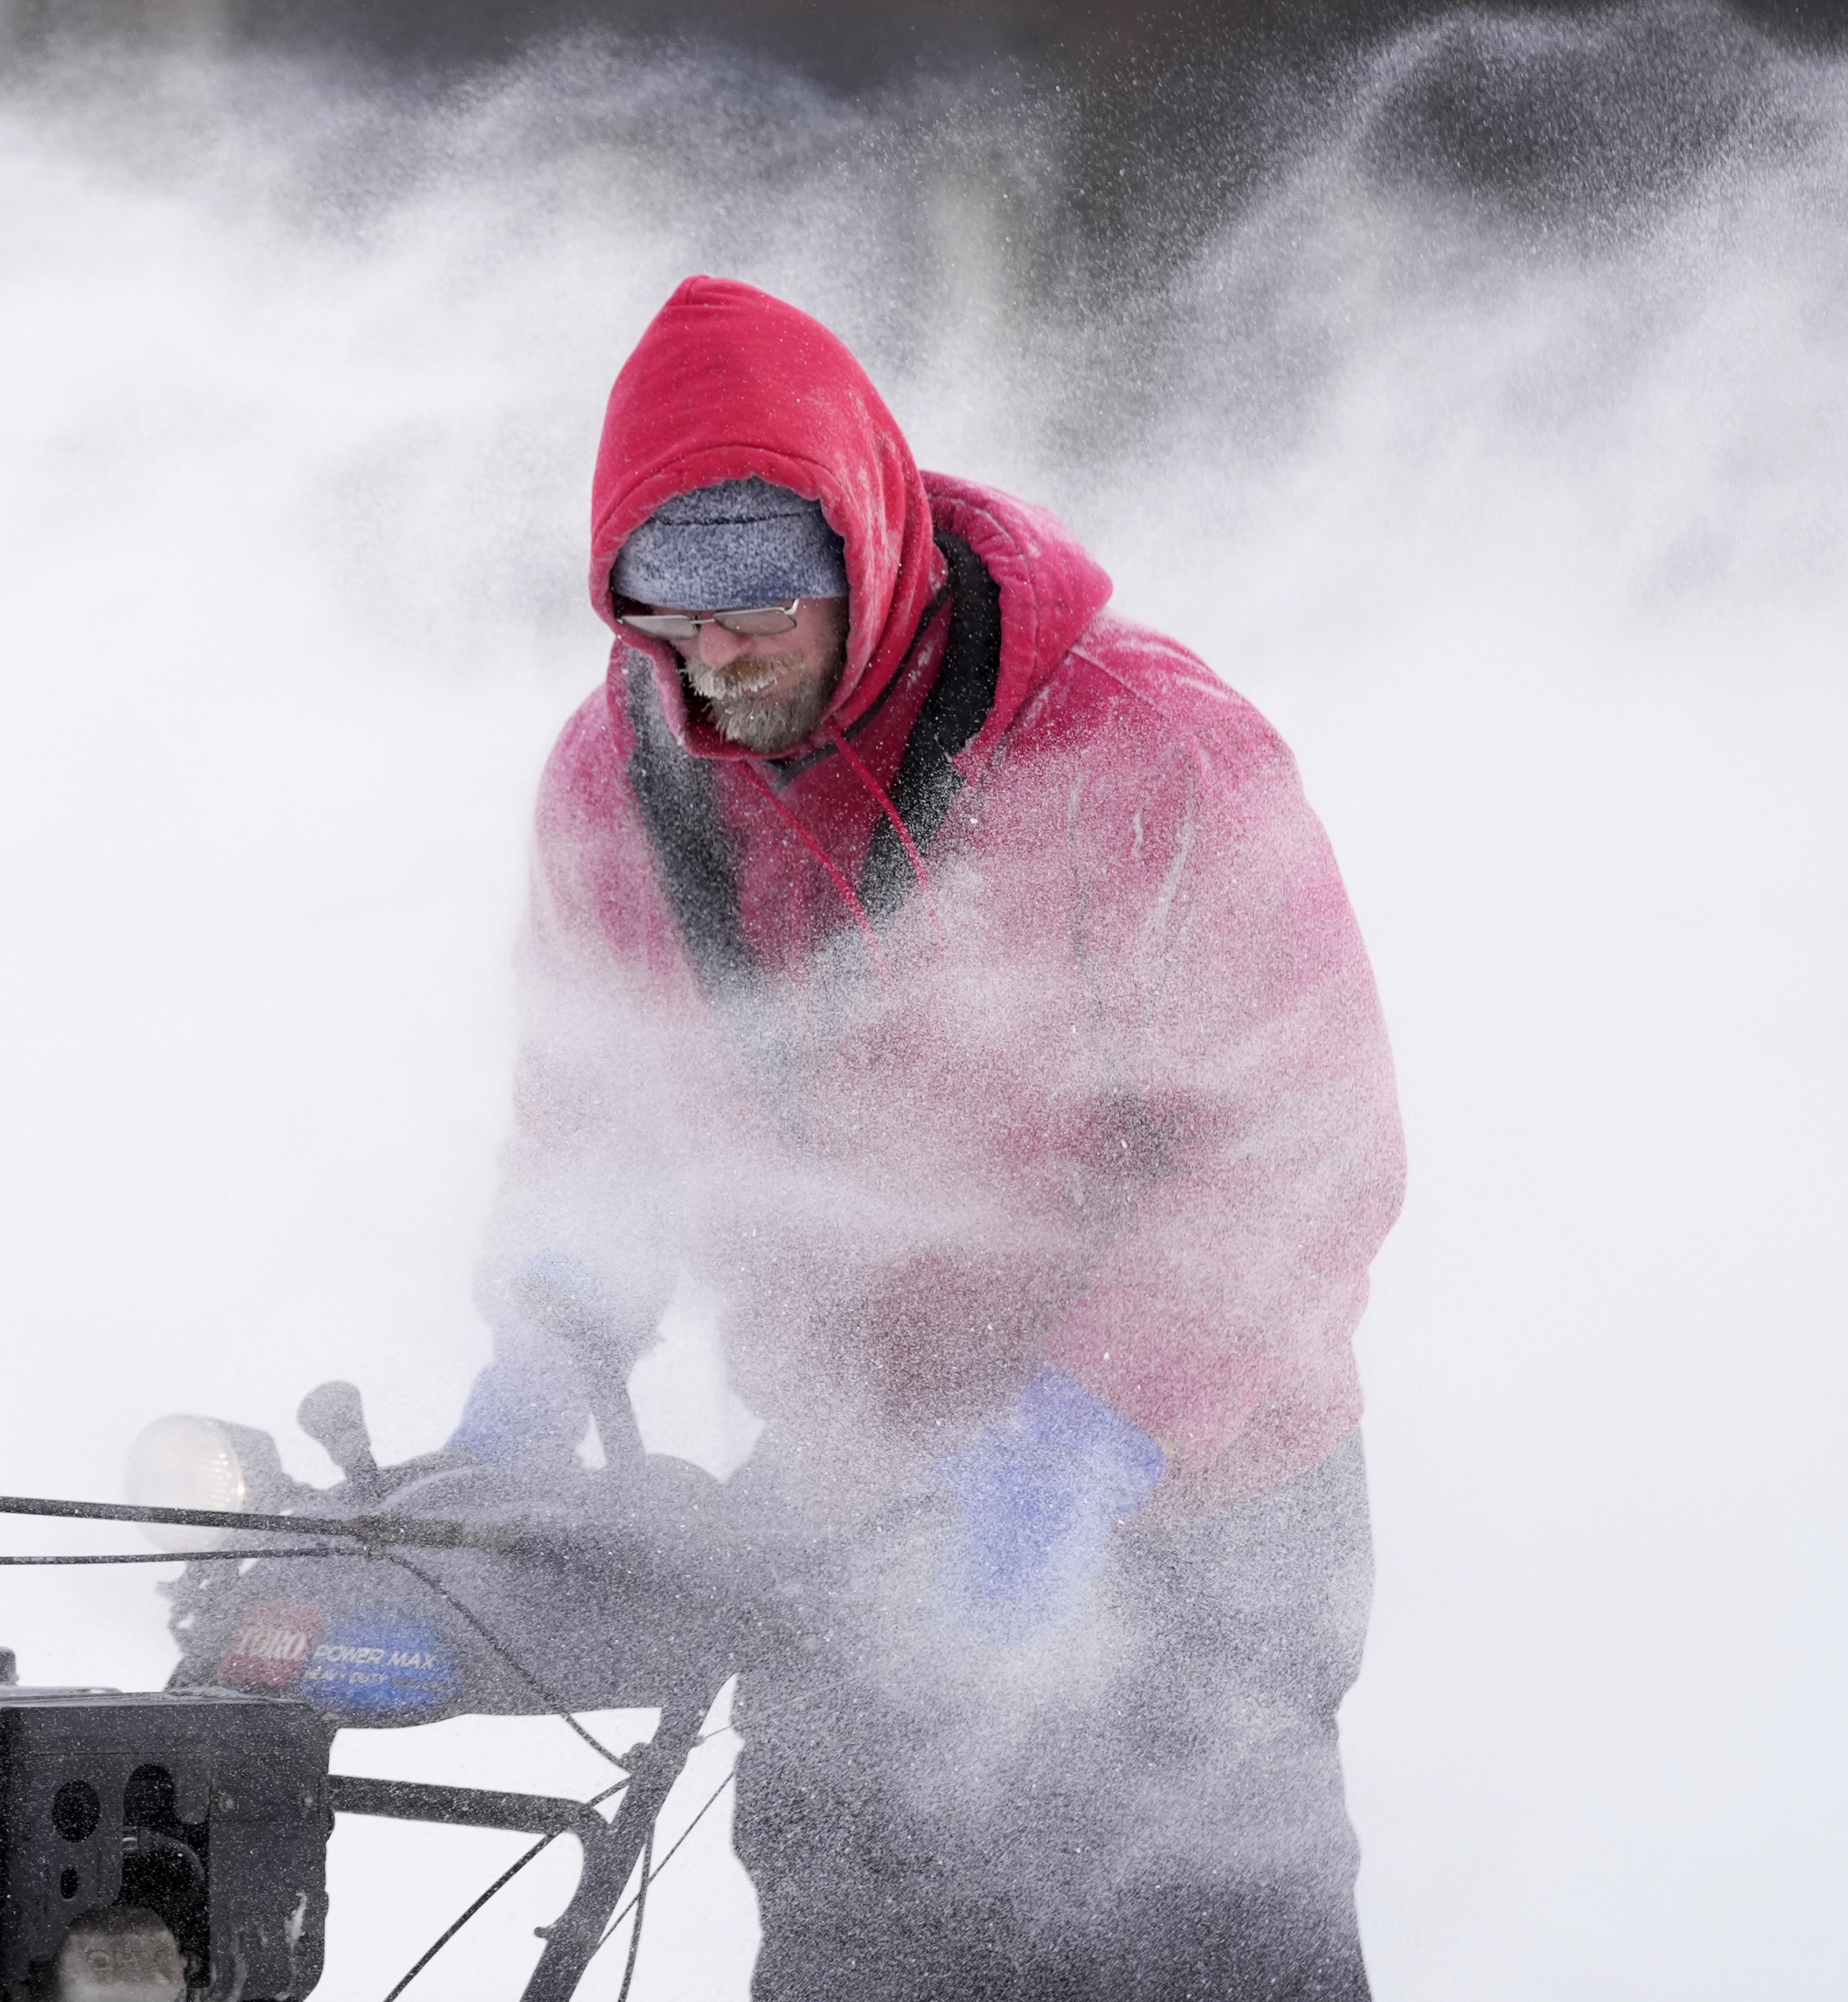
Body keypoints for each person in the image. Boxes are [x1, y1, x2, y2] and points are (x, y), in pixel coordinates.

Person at [445, 277, 1405, 1999]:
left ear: (863, 550)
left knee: (1192, 1948)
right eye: (661, 610)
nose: (710, 655)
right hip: (843, 1505)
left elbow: (1298, 1151)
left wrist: (1081, 1444)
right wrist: (541, 1339)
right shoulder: (618, 777)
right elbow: (597, 1113)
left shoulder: (1139, 750)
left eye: (758, 601)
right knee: (865, 1951)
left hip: (1197, 1510)